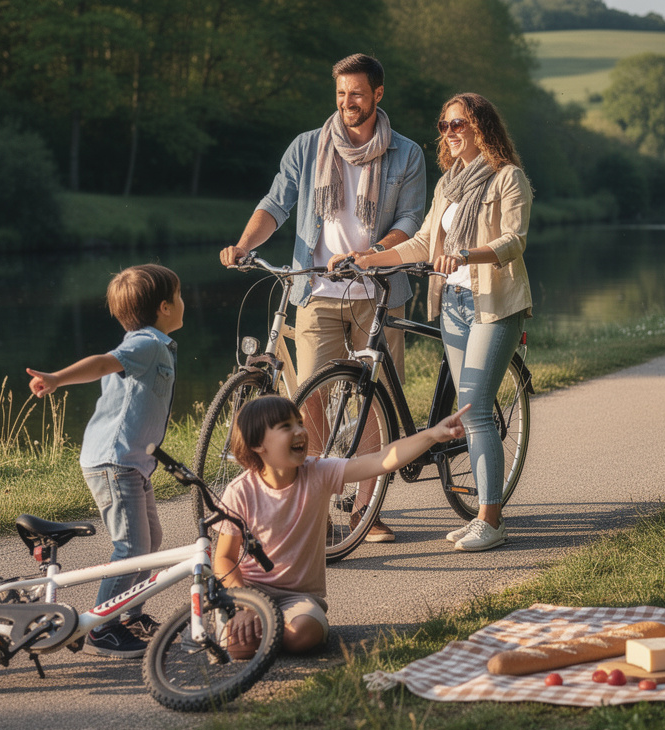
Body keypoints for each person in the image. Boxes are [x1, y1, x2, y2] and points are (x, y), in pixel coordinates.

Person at [219, 53, 426, 544]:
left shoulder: (407, 154)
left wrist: (372, 253)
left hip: (378, 290)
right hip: (314, 288)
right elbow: (276, 204)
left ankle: (365, 510)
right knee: (308, 399)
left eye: (356, 93)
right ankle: (312, 502)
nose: (346, 102)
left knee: (375, 402)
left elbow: (412, 221)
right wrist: (245, 244)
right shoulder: (309, 147)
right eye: (340, 93)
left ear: (378, 95)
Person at [330, 93, 533, 552]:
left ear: (481, 126)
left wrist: (465, 254)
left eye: (458, 124)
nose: (450, 133)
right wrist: (369, 257)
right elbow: (422, 242)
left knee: (477, 409)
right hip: (455, 302)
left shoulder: (508, 178)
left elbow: (513, 241)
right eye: (444, 126)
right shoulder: (449, 185)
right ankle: (480, 513)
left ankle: (491, 518)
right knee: (465, 409)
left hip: (494, 301)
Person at [212, 396, 470, 655]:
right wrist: (248, 606)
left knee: (304, 635)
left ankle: (268, 632)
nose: (300, 431)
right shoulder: (240, 492)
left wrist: (433, 434)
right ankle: (257, 628)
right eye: (286, 427)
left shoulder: (319, 472)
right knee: (236, 647)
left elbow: (381, 460)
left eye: (299, 423)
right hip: (249, 591)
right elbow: (223, 558)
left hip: (297, 598)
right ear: (257, 444)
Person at [26, 264, 184, 657]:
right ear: (165, 307)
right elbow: (102, 362)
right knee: (131, 547)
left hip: (132, 464)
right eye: (180, 297)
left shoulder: (155, 344)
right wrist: (59, 378)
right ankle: (102, 626)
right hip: (116, 463)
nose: (184, 303)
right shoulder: (144, 344)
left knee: (151, 541)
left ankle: (129, 614)